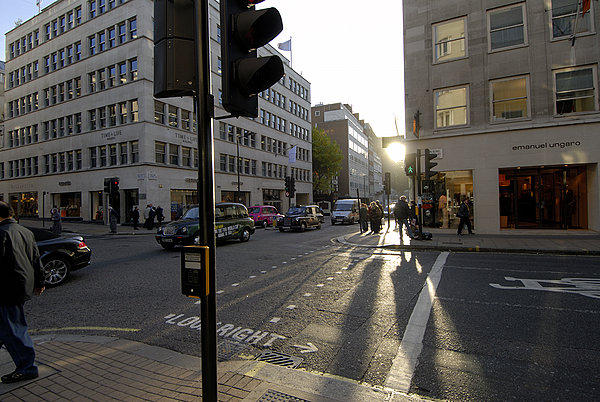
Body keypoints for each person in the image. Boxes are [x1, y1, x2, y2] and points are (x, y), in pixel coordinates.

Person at [0, 201, 45, 384]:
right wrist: (40, 281)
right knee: (7, 326)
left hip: (6, 289)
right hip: (21, 285)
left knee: (13, 329)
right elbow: (36, 258)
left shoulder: (2, 233)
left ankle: (27, 368)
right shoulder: (25, 231)